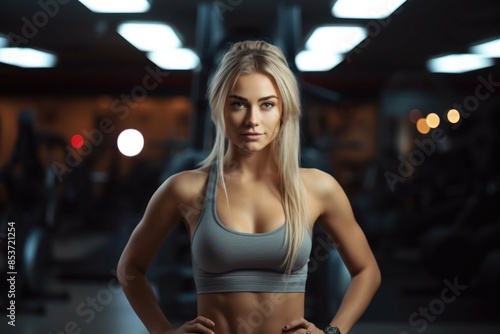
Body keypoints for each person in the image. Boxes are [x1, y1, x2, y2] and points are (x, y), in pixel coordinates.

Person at [117, 40, 381, 334]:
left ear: (284, 111)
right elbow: (130, 269)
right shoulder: (186, 189)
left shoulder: (318, 188)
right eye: (238, 104)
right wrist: (164, 331)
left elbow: (367, 271)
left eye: (267, 104)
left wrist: (333, 332)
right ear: (219, 108)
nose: (252, 120)